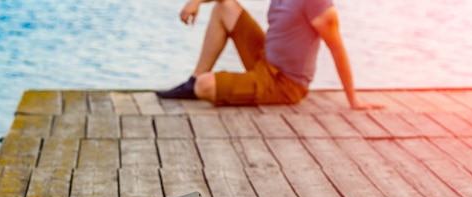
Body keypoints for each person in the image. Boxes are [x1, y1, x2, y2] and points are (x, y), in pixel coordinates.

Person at [157, 0, 381, 109]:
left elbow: (337, 48)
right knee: (224, 6)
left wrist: (353, 99)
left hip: (284, 83)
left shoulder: (317, 3)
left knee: (205, 87)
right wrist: (195, 2)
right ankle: (193, 78)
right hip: (265, 59)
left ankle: (199, 83)